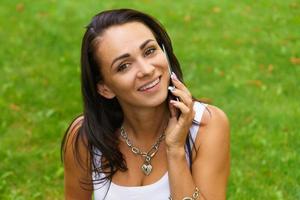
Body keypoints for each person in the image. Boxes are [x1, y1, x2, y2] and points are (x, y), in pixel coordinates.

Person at [61, 8, 230, 200]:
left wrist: (175, 151)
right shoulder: (85, 138)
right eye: (124, 66)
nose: (146, 70)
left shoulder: (207, 125)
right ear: (105, 88)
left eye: (149, 51)